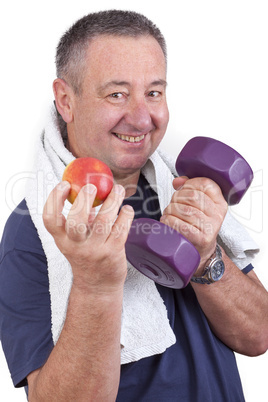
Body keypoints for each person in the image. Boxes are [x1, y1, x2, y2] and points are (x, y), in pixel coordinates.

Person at [0, 9, 267, 402]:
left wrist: (207, 255)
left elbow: (258, 335)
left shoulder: (185, 191)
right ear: (65, 101)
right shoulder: (37, 229)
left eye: (154, 92)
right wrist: (95, 285)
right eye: (117, 94)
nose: (142, 118)